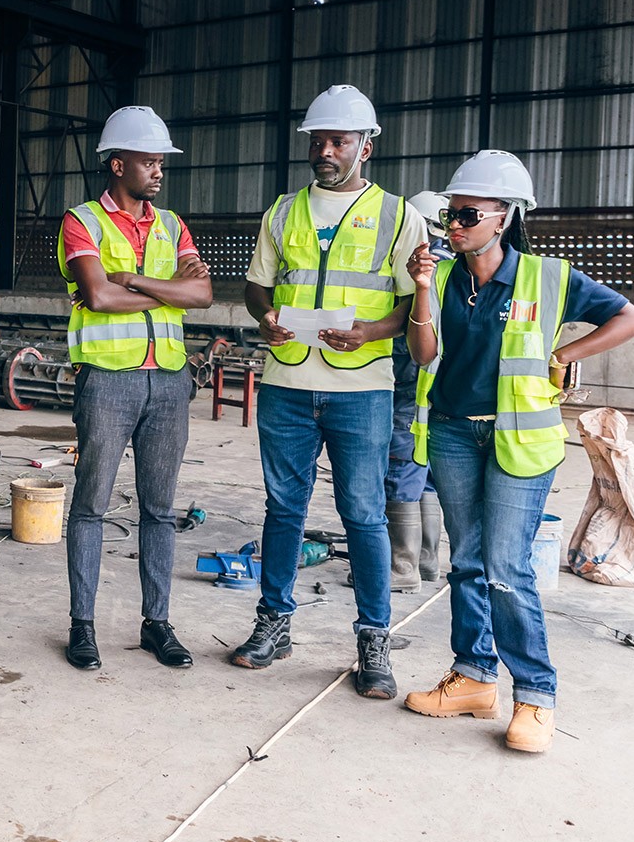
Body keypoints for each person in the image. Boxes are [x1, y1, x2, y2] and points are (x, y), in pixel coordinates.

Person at [403, 149, 634, 752]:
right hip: (456, 434)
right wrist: (421, 289)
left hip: (520, 438)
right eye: (448, 216)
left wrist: (564, 357)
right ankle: (474, 677)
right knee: (466, 560)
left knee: (506, 568)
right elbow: (421, 355)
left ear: (503, 217)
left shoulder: (550, 277)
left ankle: (536, 695)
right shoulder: (444, 276)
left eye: (465, 214)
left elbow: (633, 318)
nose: (453, 226)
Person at [230, 84, 425, 699]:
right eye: (318, 140)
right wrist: (265, 318)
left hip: (361, 387)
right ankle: (274, 625)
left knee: (363, 514)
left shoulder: (398, 215)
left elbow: (408, 303)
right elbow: (256, 286)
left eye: (338, 141)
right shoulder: (283, 211)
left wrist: (372, 331)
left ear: (365, 147)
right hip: (288, 380)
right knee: (283, 509)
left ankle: (373, 641)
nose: (325, 150)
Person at [57, 105, 212, 671]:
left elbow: (203, 296)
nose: (159, 170)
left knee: (160, 508)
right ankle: (83, 626)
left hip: (169, 380)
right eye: (149, 160)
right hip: (108, 379)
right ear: (117, 164)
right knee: (91, 505)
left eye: (161, 162)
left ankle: (157, 623)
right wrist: (168, 290)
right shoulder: (82, 221)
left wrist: (139, 282)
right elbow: (98, 297)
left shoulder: (172, 225)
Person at [383, 191, 453, 594]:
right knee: (424, 473)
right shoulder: (457, 267)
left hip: (408, 380)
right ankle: (427, 563)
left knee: (401, 470)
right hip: (440, 386)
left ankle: (400, 567)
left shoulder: (418, 269)